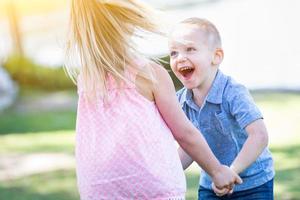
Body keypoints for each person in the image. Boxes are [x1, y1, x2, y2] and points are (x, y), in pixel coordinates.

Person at [65, 1, 242, 199]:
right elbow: (184, 133)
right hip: (153, 188)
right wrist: (217, 171)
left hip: (97, 190)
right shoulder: (149, 74)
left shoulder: (86, 80)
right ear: (130, 20)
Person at [168, 17, 275, 199]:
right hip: (211, 185)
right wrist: (165, 171)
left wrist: (230, 172)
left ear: (216, 57)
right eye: (173, 53)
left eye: (190, 49)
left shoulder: (232, 92)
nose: (180, 58)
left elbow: (259, 136)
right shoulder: (180, 101)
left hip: (254, 184)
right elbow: (190, 146)